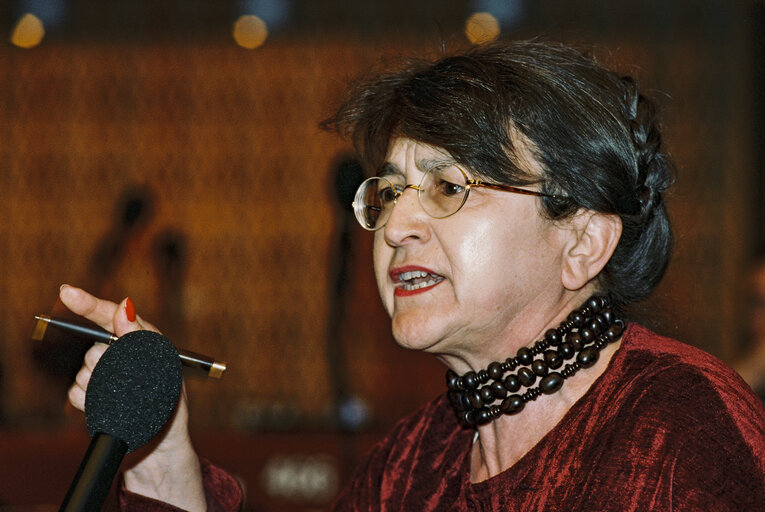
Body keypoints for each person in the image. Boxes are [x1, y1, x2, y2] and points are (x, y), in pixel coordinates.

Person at [63, 40, 765, 511]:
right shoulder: (413, 461)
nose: (396, 225)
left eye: (448, 187)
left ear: (581, 243)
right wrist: (166, 462)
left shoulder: (679, 429)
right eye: (390, 190)